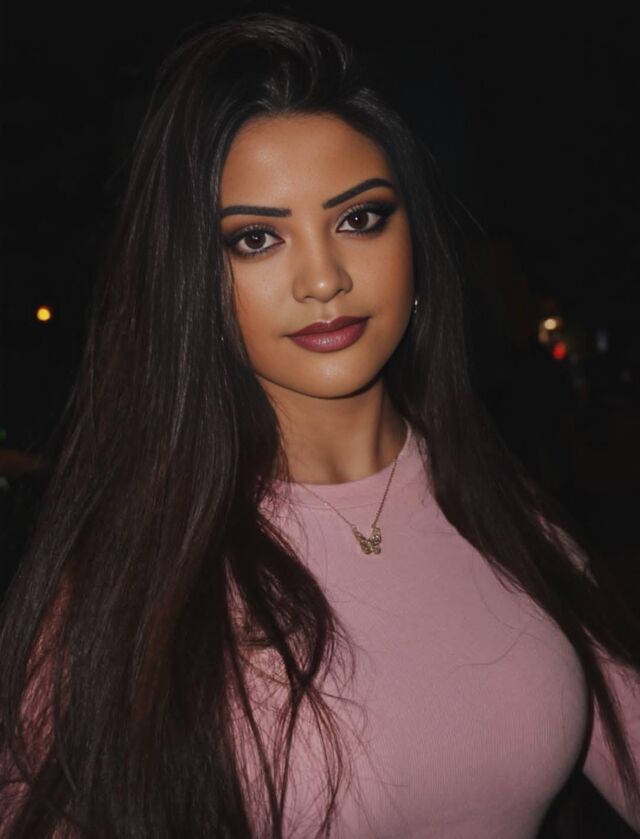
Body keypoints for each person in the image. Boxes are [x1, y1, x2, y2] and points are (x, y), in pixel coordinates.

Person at [1, 12, 639, 838]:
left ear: (416, 244)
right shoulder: (129, 579)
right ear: (194, 282)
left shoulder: (514, 520)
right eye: (257, 238)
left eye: (359, 219)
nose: (324, 277)